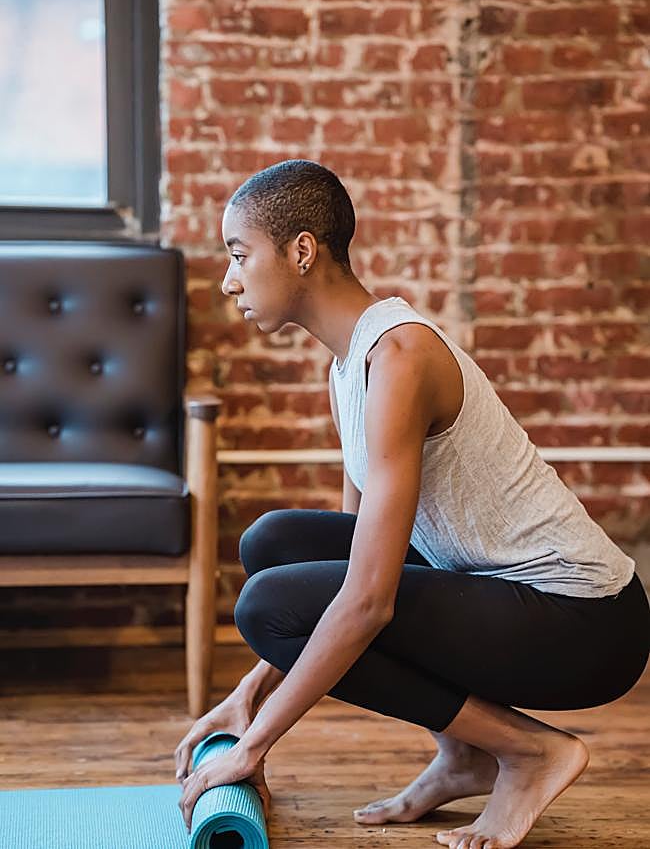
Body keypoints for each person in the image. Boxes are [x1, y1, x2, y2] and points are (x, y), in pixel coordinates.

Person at [175, 159, 650, 848]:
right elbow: (353, 556)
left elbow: (368, 600)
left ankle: (527, 751)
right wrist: (249, 692)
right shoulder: (347, 365)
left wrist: (255, 741)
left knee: (265, 602)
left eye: (240, 255)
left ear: (301, 251)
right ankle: (463, 754)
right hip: (498, 592)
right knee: (273, 545)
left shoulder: (399, 359)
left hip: (588, 622)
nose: (229, 279)